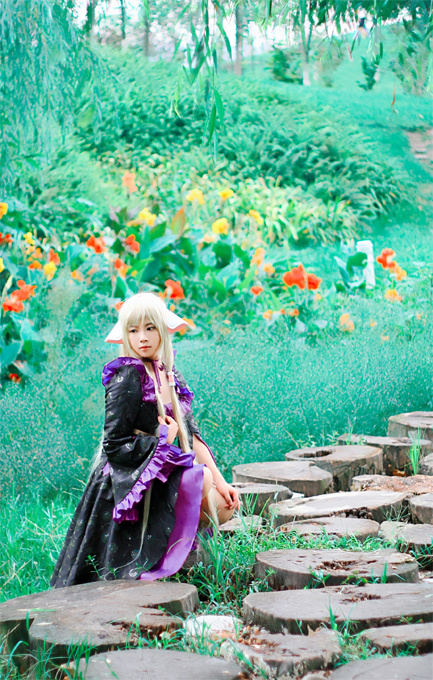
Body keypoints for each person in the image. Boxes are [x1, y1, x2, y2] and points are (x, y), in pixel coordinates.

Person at [50, 292, 240, 588]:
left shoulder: (168, 373)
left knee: (224, 505)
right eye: (133, 330)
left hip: (157, 470)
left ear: (163, 329)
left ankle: (176, 551)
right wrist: (162, 441)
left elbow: (192, 434)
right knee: (199, 479)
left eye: (150, 328)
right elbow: (114, 444)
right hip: (127, 479)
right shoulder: (127, 376)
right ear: (125, 335)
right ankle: (157, 560)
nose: (142, 338)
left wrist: (222, 481)